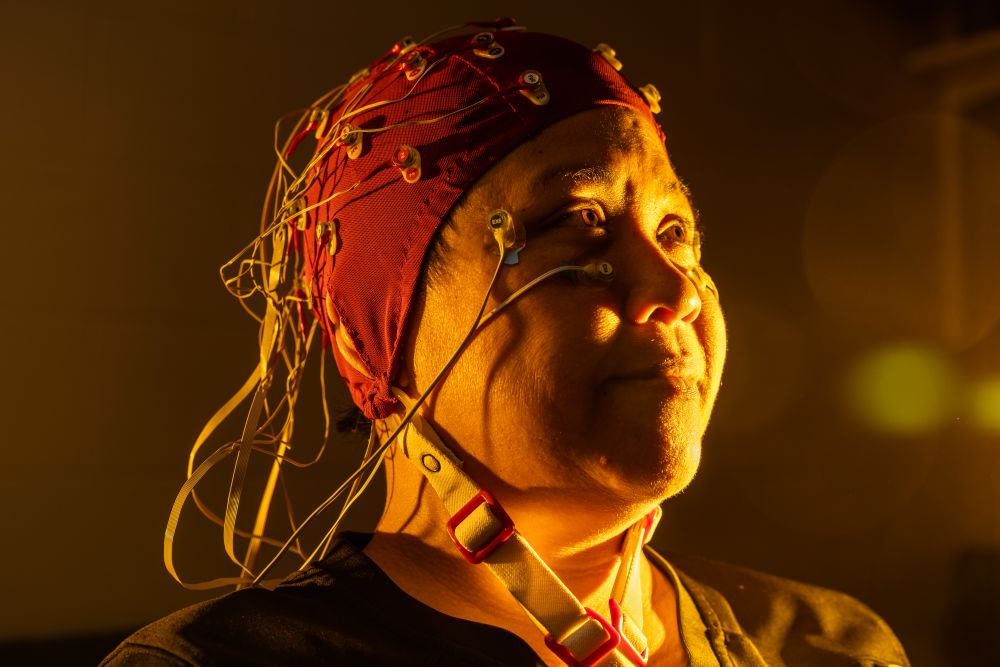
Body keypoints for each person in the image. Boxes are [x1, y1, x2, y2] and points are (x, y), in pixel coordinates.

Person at [103, 21, 911, 666]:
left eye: (675, 231)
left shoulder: (833, 644)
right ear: (370, 335)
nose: (676, 291)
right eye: (577, 222)